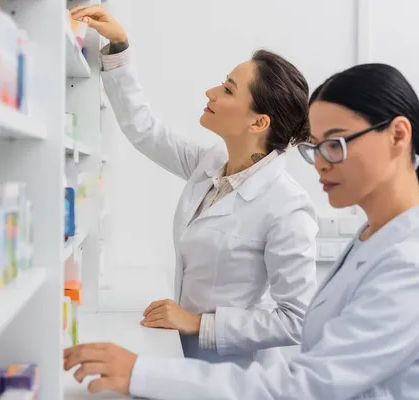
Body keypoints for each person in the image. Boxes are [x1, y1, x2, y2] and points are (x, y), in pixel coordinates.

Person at [63, 61, 419, 399]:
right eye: (316, 146)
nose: (321, 163)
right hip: (210, 367)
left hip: (238, 371)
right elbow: (147, 132)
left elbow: (308, 381)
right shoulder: (378, 236)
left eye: (336, 144)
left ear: (398, 136)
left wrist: (144, 370)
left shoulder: (417, 264)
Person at [69, 5, 318, 368]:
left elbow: (296, 319)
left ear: (258, 122)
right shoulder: (212, 164)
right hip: (185, 357)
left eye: (228, 90)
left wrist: (197, 323)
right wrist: (119, 45)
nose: (211, 92)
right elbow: (145, 131)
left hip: (237, 370)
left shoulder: (287, 206)